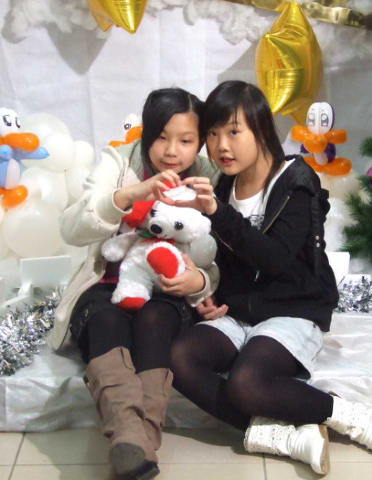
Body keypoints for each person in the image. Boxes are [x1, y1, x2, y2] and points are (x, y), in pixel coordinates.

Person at [169, 80, 372, 475]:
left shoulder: (296, 179)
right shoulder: (223, 186)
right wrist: (210, 293)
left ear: (261, 129)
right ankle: (277, 436)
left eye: (233, 132)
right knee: (179, 358)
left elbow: (275, 259)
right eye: (213, 133)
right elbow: (225, 261)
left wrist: (218, 214)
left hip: (293, 308)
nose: (221, 145)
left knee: (246, 382)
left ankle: (353, 418)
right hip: (240, 312)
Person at [50, 88, 220, 480]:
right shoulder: (120, 160)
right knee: (106, 321)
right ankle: (131, 438)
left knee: (153, 321)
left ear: (200, 141)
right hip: (106, 282)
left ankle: (133, 443)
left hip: (168, 291)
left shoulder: (207, 174)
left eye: (186, 140)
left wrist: (199, 281)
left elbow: (220, 255)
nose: (171, 151)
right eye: (161, 137)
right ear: (146, 133)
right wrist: (129, 194)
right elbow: (71, 228)